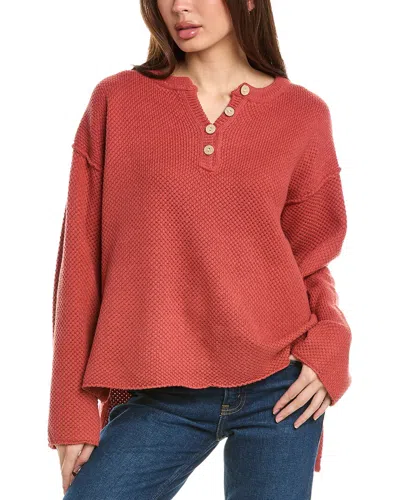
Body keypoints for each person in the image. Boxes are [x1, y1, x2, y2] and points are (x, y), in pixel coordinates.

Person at [48, 0, 352, 498]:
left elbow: (310, 259)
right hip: (159, 389)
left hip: (280, 388)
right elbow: (79, 263)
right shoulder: (117, 101)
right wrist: (71, 410)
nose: (179, 7)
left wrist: (330, 341)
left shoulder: (303, 114)